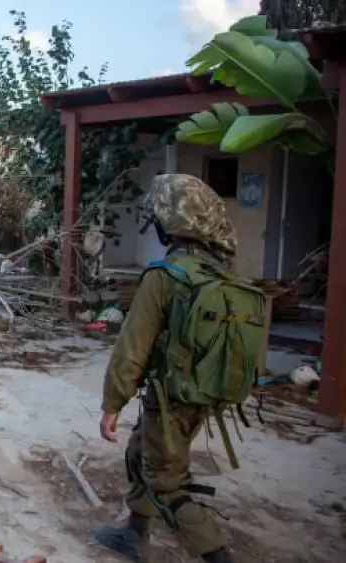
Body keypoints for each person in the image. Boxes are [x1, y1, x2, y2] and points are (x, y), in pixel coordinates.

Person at [95, 173, 266, 563]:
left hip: (169, 398)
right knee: (141, 451)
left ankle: (217, 555)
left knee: (167, 483)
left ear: (168, 221)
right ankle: (135, 532)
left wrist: (112, 404)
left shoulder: (165, 277)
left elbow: (131, 349)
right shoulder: (220, 275)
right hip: (199, 395)